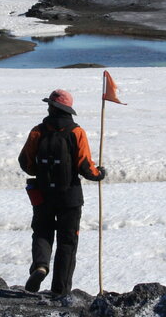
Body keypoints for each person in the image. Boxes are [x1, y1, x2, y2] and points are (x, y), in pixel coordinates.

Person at [19, 88, 105, 295]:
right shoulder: (76, 132)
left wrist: (39, 172)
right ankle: (60, 290)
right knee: (67, 242)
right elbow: (85, 166)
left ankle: (40, 266)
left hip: (43, 195)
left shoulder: (37, 131)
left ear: (52, 107)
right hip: (70, 197)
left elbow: (25, 162)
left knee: (42, 232)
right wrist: (99, 173)